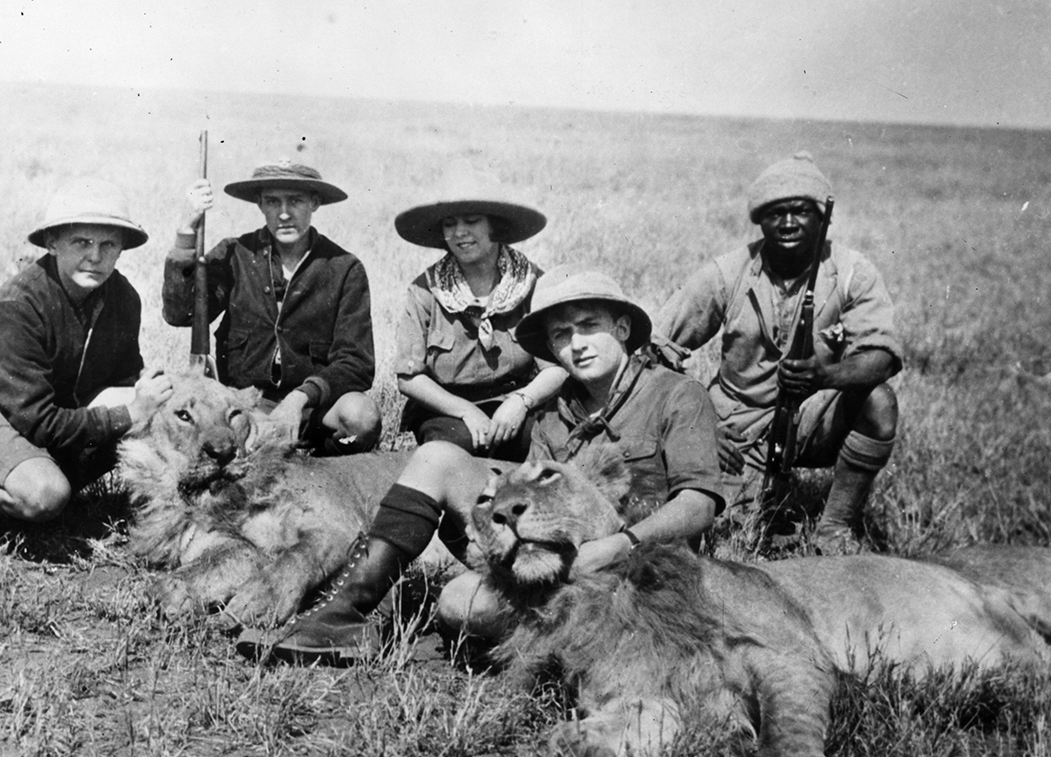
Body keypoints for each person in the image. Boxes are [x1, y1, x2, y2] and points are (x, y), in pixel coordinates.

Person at [239, 270, 725, 665]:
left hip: (640, 575)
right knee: (441, 497)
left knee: (466, 608)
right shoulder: (554, 413)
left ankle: (559, 653)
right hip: (559, 571)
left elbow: (699, 504)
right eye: (561, 335)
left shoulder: (677, 395)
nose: (576, 344)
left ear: (622, 329)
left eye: (589, 325)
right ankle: (345, 614)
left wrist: (620, 545)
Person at [656, 151, 901, 553]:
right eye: (775, 212)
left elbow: (882, 355)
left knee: (879, 402)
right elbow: (655, 352)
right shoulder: (726, 273)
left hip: (812, 416)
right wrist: (697, 429)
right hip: (734, 425)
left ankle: (834, 528)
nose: (788, 223)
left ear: (823, 216)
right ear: (759, 220)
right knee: (728, 536)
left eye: (801, 211)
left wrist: (825, 377)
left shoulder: (853, 272)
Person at [0, 178, 173, 526]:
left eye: (108, 244)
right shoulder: (17, 306)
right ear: (52, 243)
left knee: (152, 408)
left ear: (122, 250)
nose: (95, 256)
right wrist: (128, 415)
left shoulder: (123, 297)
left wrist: (148, 401)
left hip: (48, 409)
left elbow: (125, 379)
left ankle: (37, 473)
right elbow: (37, 419)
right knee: (45, 494)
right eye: (82, 241)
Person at [164, 159, 381, 455]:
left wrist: (300, 398)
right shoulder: (234, 254)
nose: (284, 214)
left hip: (313, 408)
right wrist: (185, 230)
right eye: (272, 201)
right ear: (259, 204)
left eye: (295, 201)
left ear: (314, 203)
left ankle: (322, 469)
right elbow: (181, 313)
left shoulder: (344, 268)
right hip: (244, 406)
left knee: (361, 419)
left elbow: (356, 363)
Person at [392, 162, 567, 461]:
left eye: (472, 221)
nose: (460, 233)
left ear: (494, 225)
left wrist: (520, 402)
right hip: (448, 411)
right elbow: (409, 378)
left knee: (546, 445)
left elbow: (556, 368)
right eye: (449, 224)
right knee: (455, 454)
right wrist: (466, 411)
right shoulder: (424, 291)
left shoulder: (533, 283)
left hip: (519, 404)